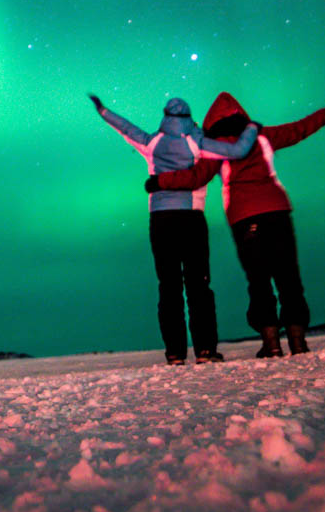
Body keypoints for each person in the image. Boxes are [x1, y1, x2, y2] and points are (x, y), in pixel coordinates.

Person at [146, 91, 325, 358]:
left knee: (259, 280)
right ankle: (298, 341)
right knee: (288, 276)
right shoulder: (262, 135)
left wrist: (160, 182)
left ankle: (271, 343)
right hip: (277, 210)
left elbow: (195, 177)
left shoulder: (215, 147)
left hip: (244, 217)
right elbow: (301, 129)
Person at [90, 93, 261, 365]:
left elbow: (125, 127)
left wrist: (102, 110)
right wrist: (252, 129)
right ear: (188, 117)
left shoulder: (152, 142)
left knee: (168, 286)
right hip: (191, 218)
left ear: (165, 116)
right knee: (199, 285)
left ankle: (174, 353)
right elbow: (239, 151)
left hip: (160, 220)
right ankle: (205, 349)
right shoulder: (198, 142)